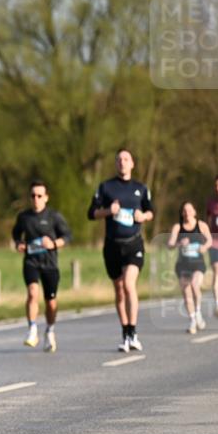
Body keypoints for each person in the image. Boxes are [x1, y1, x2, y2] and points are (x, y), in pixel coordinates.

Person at [87, 148, 155, 352]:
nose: (122, 163)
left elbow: (151, 211)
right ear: (115, 164)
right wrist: (109, 211)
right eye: (119, 160)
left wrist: (143, 217)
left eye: (126, 159)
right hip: (112, 245)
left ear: (132, 163)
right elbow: (91, 213)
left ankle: (133, 332)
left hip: (133, 244)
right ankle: (125, 332)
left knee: (128, 284)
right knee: (118, 290)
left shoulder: (141, 188)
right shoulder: (106, 187)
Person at [12, 180, 72, 352]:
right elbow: (16, 235)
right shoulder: (24, 217)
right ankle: (32, 329)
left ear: (46, 197)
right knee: (32, 293)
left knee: (50, 302)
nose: (36, 199)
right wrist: (19, 244)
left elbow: (67, 236)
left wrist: (53, 244)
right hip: (31, 261)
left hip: (50, 263)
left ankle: (50, 330)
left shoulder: (54, 216)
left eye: (39, 196)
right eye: (33, 196)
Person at [167, 202, 213, 334]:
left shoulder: (201, 225)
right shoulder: (177, 227)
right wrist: (178, 243)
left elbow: (209, 240)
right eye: (184, 211)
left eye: (189, 210)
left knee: (194, 285)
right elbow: (169, 244)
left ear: (194, 212)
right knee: (186, 292)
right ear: (182, 213)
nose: (187, 213)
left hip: (198, 263)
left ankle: (198, 311)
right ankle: (193, 320)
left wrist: (204, 247)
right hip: (183, 264)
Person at [207, 176, 218, 318]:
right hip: (215, 243)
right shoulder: (211, 204)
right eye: (216, 185)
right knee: (217, 271)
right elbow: (208, 223)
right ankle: (217, 304)